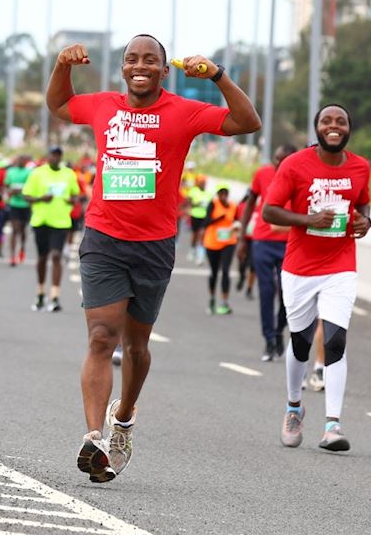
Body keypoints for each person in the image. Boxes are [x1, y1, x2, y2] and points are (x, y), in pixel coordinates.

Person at [47, 35, 260, 482]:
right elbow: (60, 105)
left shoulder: (184, 110)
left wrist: (218, 75)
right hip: (104, 237)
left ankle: (123, 418)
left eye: (149, 60)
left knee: (137, 347)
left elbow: (247, 122)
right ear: (122, 68)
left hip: (154, 245)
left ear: (164, 70)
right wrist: (62, 65)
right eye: (131, 59)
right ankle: (95, 436)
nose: (138, 65)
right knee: (102, 337)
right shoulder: (104, 105)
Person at [262, 104, 371, 454]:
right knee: (301, 342)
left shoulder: (360, 167)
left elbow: (363, 205)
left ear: (349, 128)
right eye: (327, 121)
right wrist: (309, 220)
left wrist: (365, 222)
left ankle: (332, 425)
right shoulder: (295, 164)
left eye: (341, 121)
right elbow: (269, 210)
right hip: (299, 268)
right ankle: (294, 406)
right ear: (317, 128)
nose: (334, 126)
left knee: (336, 340)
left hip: (340, 266)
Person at [238, 144, 298, 361]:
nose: (279, 164)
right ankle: (269, 339)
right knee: (266, 290)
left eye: (284, 160)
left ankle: (279, 330)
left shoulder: (301, 175)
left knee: (286, 293)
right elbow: (249, 204)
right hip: (262, 241)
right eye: (276, 159)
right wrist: (242, 238)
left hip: (290, 243)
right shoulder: (263, 174)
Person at [23, 146, 82, 311]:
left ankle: (55, 296)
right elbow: (26, 195)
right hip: (41, 221)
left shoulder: (68, 174)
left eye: (58, 155)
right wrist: (41, 198)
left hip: (61, 221)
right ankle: (40, 293)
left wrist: (73, 200)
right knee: (42, 257)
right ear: (47, 156)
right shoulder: (37, 173)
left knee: (56, 255)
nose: (55, 158)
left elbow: (76, 194)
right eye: (53, 155)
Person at [202, 187, 241, 315]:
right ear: (218, 194)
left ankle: (224, 302)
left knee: (225, 271)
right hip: (212, 243)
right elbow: (206, 222)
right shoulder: (213, 204)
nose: (223, 196)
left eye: (225, 193)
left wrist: (237, 226)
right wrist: (219, 218)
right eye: (221, 193)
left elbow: (238, 220)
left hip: (228, 242)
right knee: (214, 272)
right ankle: (212, 299)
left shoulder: (233, 206)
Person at [3, 154, 34, 266]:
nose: (21, 161)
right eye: (19, 159)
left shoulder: (29, 172)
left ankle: (22, 248)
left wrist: (20, 190)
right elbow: (6, 186)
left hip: (25, 205)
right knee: (15, 229)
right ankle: (12, 256)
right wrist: (10, 191)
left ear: (25, 161)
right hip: (14, 204)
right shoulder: (10, 171)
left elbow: (32, 187)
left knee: (22, 230)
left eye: (23, 160)